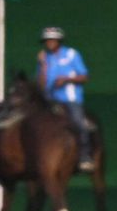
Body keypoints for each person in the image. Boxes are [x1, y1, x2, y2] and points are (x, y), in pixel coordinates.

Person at [36, 25, 93, 154]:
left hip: (70, 99)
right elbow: (41, 85)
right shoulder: (44, 58)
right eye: (46, 41)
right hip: (49, 100)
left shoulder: (71, 54)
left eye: (52, 40)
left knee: (78, 123)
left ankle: (85, 156)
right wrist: (43, 65)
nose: (49, 43)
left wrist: (66, 79)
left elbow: (85, 77)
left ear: (59, 41)